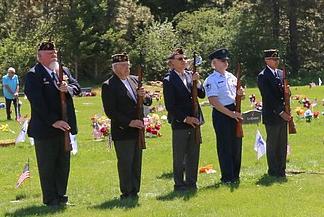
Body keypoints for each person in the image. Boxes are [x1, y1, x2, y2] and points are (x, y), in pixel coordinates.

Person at [24, 41, 80, 207]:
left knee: (63, 164)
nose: (53, 55)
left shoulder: (62, 71)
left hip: (65, 126)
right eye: (49, 53)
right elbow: (37, 101)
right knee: (48, 165)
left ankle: (61, 196)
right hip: (46, 128)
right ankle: (50, 199)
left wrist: (67, 89)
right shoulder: (34, 74)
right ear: (40, 56)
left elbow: (77, 87)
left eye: (54, 52)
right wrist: (53, 121)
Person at [100, 53, 151, 200]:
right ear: (115, 68)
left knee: (136, 162)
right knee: (125, 162)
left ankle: (135, 190)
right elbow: (111, 111)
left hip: (138, 129)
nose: (127, 68)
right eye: (123, 66)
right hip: (123, 130)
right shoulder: (109, 85)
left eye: (128, 65)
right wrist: (129, 122)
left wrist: (145, 96)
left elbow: (148, 101)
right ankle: (127, 192)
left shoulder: (135, 80)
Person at [161, 48, 204, 191]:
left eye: (184, 58)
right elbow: (171, 106)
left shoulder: (191, 76)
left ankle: (192, 181)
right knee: (179, 155)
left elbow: (202, 94)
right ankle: (179, 183)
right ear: (172, 63)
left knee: (193, 153)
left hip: (195, 119)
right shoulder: (169, 80)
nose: (184, 61)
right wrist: (186, 119)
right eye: (180, 59)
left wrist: (197, 82)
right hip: (181, 122)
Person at [203, 48, 245, 184]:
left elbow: (238, 95)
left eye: (226, 61)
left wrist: (241, 94)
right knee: (225, 146)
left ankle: (236, 175)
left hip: (234, 110)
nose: (226, 63)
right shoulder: (211, 80)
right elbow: (214, 101)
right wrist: (231, 114)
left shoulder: (231, 77)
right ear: (215, 63)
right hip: (222, 113)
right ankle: (227, 177)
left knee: (236, 144)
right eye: (222, 61)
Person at [256, 48, 292, 178]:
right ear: (267, 60)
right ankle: (273, 170)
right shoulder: (263, 76)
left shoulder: (281, 74)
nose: (276, 61)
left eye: (277, 59)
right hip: (272, 114)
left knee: (282, 143)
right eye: (274, 59)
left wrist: (288, 91)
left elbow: (285, 95)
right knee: (273, 143)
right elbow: (268, 97)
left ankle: (282, 169)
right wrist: (280, 111)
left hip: (283, 113)